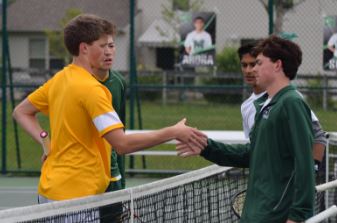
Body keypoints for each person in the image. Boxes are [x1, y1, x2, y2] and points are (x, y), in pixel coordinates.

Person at [13, 14, 207, 206]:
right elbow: (122, 144)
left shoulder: (58, 80)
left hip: (47, 191)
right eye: (102, 45)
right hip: (76, 198)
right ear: (84, 48)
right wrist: (174, 132)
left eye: (110, 45)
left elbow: (21, 111)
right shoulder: (93, 90)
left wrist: (47, 144)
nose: (108, 51)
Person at [178, 35, 315, 222]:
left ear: (277, 65)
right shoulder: (266, 106)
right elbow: (252, 154)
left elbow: (305, 163)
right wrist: (207, 147)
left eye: (259, 63)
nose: (253, 69)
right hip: (254, 213)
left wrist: (297, 216)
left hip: (274, 215)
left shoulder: (291, 103)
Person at [238, 43, 327, 172]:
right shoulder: (246, 107)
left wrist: (311, 171)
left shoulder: (290, 98)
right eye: (244, 65)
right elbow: (255, 148)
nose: (249, 70)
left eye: (255, 64)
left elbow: (318, 136)